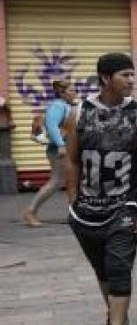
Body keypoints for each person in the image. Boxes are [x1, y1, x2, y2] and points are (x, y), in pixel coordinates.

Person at [65, 53, 137, 325]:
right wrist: (72, 197)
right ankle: (115, 319)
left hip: (124, 207)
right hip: (86, 210)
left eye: (133, 75)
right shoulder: (79, 112)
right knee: (102, 270)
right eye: (125, 75)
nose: (132, 81)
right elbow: (72, 159)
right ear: (105, 78)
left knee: (119, 266)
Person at [23, 80, 77, 226]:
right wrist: (60, 145)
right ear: (63, 92)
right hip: (59, 150)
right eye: (72, 90)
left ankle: (75, 215)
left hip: (68, 150)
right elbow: (52, 126)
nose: (75, 92)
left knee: (72, 181)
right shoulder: (57, 106)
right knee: (56, 181)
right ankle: (30, 211)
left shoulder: (67, 106)